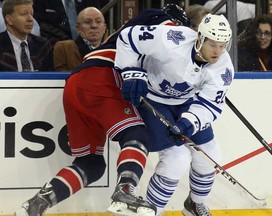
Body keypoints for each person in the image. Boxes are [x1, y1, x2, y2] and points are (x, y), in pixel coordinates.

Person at [14, 4, 191, 216]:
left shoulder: (131, 37)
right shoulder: (161, 23)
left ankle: (38, 204)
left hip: (75, 84)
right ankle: (125, 193)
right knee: (137, 135)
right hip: (102, 77)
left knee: (91, 164)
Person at [114, 13, 234, 216]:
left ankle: (194, 205)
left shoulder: (223, 67)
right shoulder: (172, 39)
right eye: (213, 44)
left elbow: (209, 104)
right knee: (177, 159)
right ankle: (150, 212)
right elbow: (128, 37)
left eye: (223, 45)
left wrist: (189, 123)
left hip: (186, 103)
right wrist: (131, 73)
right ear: (200, 39)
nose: (218, 51)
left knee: (210, 155)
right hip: (152, 99)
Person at [0, 0, 53, 72]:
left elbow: (50, 78)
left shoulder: (43, 45)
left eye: (31, 14)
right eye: (24, 14)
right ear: (9, 19)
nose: (30, 19)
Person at [53, 7, 106, 71]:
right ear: (78, 28)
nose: (94, 26)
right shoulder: (64, 47)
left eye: (98, 21)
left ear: (104, 28)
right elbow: (59, 78)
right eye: (88, 22)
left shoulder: (112, 51)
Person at [33, 0, 102, 47]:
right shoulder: (41, 2)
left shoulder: (89, 2)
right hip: (55, 47)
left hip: (88, 47)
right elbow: (41, 25)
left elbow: (97, 21)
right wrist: (68, 42)